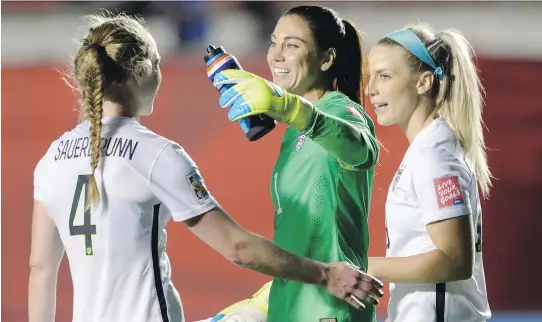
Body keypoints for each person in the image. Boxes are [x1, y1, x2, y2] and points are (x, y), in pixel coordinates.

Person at [27, 13, 384, 322]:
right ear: (142, 74)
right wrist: (323, 275)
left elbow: (40, 269)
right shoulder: (155, 154)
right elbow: (237, 248)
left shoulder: (51, 160)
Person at [201, 5, 381, 322]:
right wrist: (269, 299)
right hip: (293, 302)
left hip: (330, 309)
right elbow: (305, 238)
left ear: (326, 59)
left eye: (292, 45)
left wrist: (289, 108)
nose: (276, 56)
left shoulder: (341, 110)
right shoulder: (292, 134)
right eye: (274, 42)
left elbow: (360, 150)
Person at [365, 25, 492, 322]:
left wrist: (364, 266)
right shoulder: (431, 146)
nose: (371, 88)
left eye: (384, 76)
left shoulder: (433, 154)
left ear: (423, 82)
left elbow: (454, 260)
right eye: (370, 76)